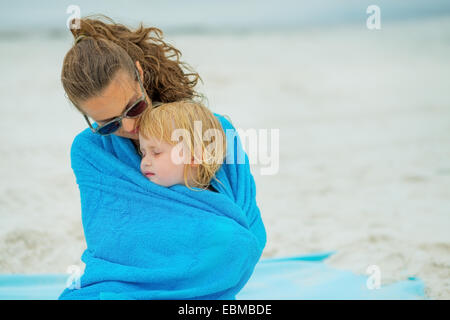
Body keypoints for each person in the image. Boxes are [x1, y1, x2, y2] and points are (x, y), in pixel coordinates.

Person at [59, 14, 266, 300]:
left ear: (140, 76)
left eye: (134, 107)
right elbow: (114, 243)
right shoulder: (90, 151)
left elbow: (247, 230)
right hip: (121, 286)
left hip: (211, 274)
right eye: (109, 124)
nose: (130, 127)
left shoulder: (211, 130)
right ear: (87, 118)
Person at [136, 100, 226, 191]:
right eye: (143, 154)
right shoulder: (143, 195)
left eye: (156, 153)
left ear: (194, 157)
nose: (144, 162)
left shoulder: (213, 203)